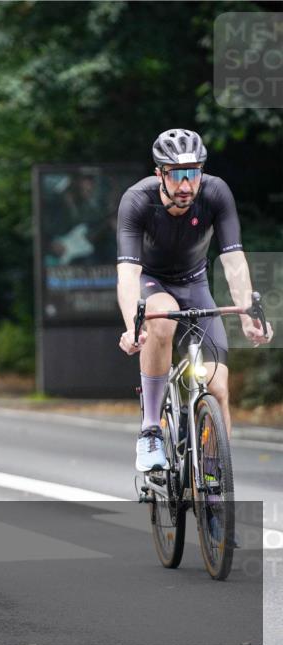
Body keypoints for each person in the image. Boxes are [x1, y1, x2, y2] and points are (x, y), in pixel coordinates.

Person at [116, 128, 273, 472]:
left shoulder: (216, 193)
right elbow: (127, 274)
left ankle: (216, 483)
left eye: (193, 173)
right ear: (160, 174)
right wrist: (132, 326)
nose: (186, 185)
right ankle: (152, 430)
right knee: (163, 314)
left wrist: (248, 317)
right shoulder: (137, 200)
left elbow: (233, 263)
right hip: (152, 283)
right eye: (177, 175)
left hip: (195, 283)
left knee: (217, 388)